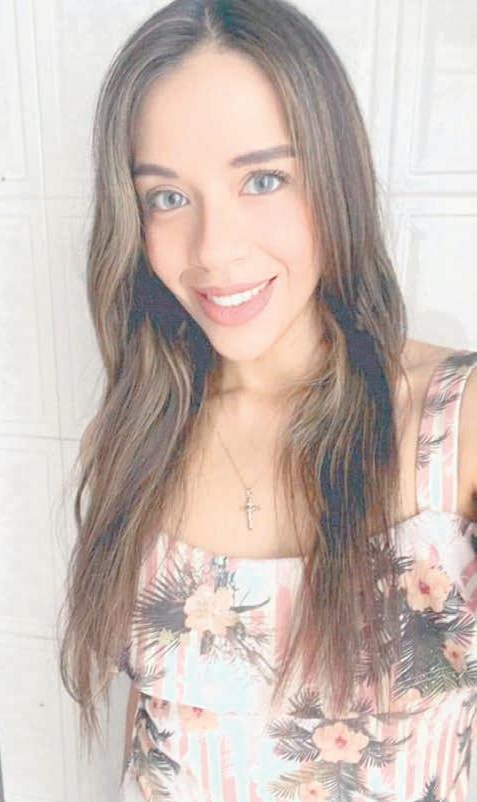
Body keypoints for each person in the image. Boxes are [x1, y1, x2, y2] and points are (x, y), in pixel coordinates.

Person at [58, 1, 477, 800]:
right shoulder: (134, 437)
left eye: (262, 180)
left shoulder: (455, 424)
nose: (213, 250)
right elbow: (150, 739)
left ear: (335, 178)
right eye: (166, 197)